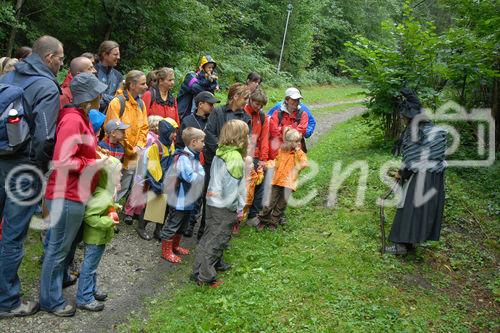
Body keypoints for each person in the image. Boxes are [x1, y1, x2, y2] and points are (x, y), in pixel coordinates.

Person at [0, 35, 63, 318]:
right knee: (13, 236)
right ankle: (7, 301)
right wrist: (37, 169)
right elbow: (45, 136)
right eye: (61, 58)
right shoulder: (47, 86)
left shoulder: (10, 75)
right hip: (22, 167)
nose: (62, 63)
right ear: (49, 57)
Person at [40, 72, 108, 317]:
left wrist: (96, 155)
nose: (101, 96)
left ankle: (55, 288)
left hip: (76, 192)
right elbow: (62, 159)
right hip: (65, 194)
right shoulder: (72, 119)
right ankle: (50, 299)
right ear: (88, 98)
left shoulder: (82, 117)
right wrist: (91, 164)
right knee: (58, 248)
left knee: (66, 248)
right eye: (97, 93)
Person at [385, 88, 447, 255]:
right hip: (436, 178)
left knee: (409, 209)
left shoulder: (415, 133)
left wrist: (401, 174)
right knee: (420, 210)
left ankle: (401, 246)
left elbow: (412, 161)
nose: (402, 118)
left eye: (404, 116)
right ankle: (410, 243)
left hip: (423, 177)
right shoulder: (432, 128)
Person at [192, 120, 248, 287]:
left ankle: (197, 271)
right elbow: (231, 188)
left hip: (212, 201)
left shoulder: (220, 151)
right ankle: (206, 277)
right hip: (224, 207)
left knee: (208, 237)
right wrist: (237, 208)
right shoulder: (235, 158)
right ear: (240, 137)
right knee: (217, 242)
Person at [201, 83, 250, 239]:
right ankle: (204, 230)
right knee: (211, 195)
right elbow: (209, 134)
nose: (246, 102)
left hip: (233, 164)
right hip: (215, 162)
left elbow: (246, 141)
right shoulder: (218, 112)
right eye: (245, 98)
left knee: (230, 195)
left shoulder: (246, 117)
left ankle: (224, 233)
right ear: (235, 96)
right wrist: (223, 153)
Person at [76, 156, 121, 312]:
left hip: (99, 239)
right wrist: (109, 221)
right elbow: (89, 216)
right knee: (89, 268)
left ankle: (91, 290)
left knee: (92, 267)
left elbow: (103, 208)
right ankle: (84, 297)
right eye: (118, 174)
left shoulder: (104, 193)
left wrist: (115, 207)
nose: (121, 176)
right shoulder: (102, 196)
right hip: (95, 239)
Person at [160, 127, 206, 263]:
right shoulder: (183, 159)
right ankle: (166, 251)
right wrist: (201, 174)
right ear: (193, 142)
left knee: (183, 223)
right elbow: (190, 177)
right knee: (173, 223)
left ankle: (175, 246)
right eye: (202, 141)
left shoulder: (193, 156)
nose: (204, 144)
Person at [179, 91, 220, 238]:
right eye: (210, 104)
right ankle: (186, 224)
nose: (212, 107)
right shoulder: (188, 120)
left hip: (208, 161)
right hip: (191, 162)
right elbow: (180, 142)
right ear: (200, 104)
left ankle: (196, 224)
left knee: (203, 194)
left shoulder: (213, 121)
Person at [104, 70, 149, 202]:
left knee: (121, 188)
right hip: (116, 153)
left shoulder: (141, 104)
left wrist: (139, 146)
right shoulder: (117, 103)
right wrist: (130, 149)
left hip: (133, 155)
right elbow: (114, 130)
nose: (146, 87)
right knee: (108, 186)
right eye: (143, 84)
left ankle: (112, 213)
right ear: (132, 85)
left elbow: (144, 128)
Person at [130, 118, 178, 240]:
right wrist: (159, 186)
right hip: (156, 182)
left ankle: (158, 230)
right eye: (173, 132)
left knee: (165, 208)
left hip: (166, 181)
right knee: (151, 205)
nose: (175, 135)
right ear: (166, 131)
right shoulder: (155, 147)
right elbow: (152, 169)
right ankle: (141, 227)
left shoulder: (171, 145)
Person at [258, 128, 308, 230]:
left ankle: (273, 222)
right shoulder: (282, 151)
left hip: (289, 184)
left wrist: (297, 158)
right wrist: (267, 164)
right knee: (270, 202)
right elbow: (276, 163)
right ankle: (263, 220)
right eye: (296, 141)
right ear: (289, 142)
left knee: (281, 205)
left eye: (299, 141)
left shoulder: (298, 153)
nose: (299, 143)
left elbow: (304, 163)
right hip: (277, 181)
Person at [243, 88, 269, 228]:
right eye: (256, 103)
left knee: (260, 183)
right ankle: (238, 217)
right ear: (250, 100)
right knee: (244, 186)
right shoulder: (242, 112)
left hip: (257, 155)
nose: (258, 106)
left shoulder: (263, 117)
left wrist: (263, 159)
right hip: (243, 155)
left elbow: (264, 139)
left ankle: (253, 215)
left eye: (260, 105)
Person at [268, 87, 316, 151]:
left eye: (298, 99)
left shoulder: (303, 114)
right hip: (278, 151)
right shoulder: (277, 113)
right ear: (286, 100)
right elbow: (273, 130)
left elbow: (302, 130)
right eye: (294, 99)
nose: (296, 102)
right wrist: (291, 131)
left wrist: (284, 130)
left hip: (296, 150)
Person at [177, 54, 220, 119]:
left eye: (212, 68)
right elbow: (197, 89)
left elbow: (211, 91)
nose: (211, 70)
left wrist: (213, 82)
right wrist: (209, 82)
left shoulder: (211, 78)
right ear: (203, 67)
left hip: (203, 111)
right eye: (209, 67)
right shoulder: (191, 76)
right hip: (185, 111)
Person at [95, 40, 122, 112]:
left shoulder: (118, 75)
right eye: (115, 54)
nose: (118, 57)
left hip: (112, 117)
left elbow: (120, 99)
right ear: (105, 55)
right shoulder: (94, 72)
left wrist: (103, 97)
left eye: (118, 54)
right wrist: (113, 100)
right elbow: (93, 97)